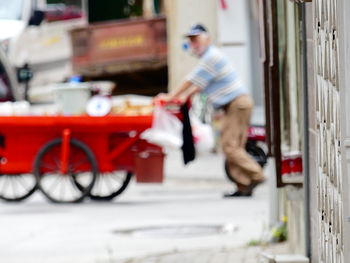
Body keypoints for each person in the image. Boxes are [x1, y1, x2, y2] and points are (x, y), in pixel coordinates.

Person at [157, 24, 265, 197]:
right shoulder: (209, 59)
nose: (194, 44)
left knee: (229, 147)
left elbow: (191, 80)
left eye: (196, 39)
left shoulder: (211, 57)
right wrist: (186, 97)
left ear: (207, 39)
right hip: (235, 105)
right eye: (191, 40)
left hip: (237, 104)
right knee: (233, 146)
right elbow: (200, 84)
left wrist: (171, 96)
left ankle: (256, 174)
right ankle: (243, 186)